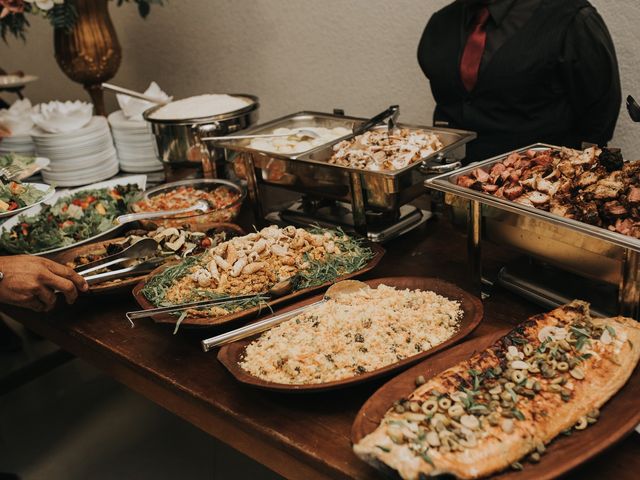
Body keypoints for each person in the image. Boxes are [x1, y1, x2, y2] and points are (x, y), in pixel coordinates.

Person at [417, 0, 622, 163]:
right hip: (450, 186)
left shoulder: (571, 18)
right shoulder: (441, 21)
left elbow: (600, 111)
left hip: (533, 193)